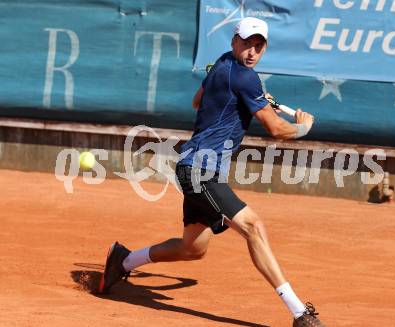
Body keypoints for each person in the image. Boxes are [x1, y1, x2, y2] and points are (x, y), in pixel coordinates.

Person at [99, 17, 325, 327]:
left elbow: (197, 102)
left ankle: (123, 259)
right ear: (234, 41)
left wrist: (238, 100)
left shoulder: (223, 65)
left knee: (193, 248)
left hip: (196, 167)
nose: (251, 51)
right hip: (200, 170)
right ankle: (299, 312)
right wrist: (303, 127)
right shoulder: (247, 80)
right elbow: (276, 128)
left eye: (258, 46)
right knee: (254, 228)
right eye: (246, 43)